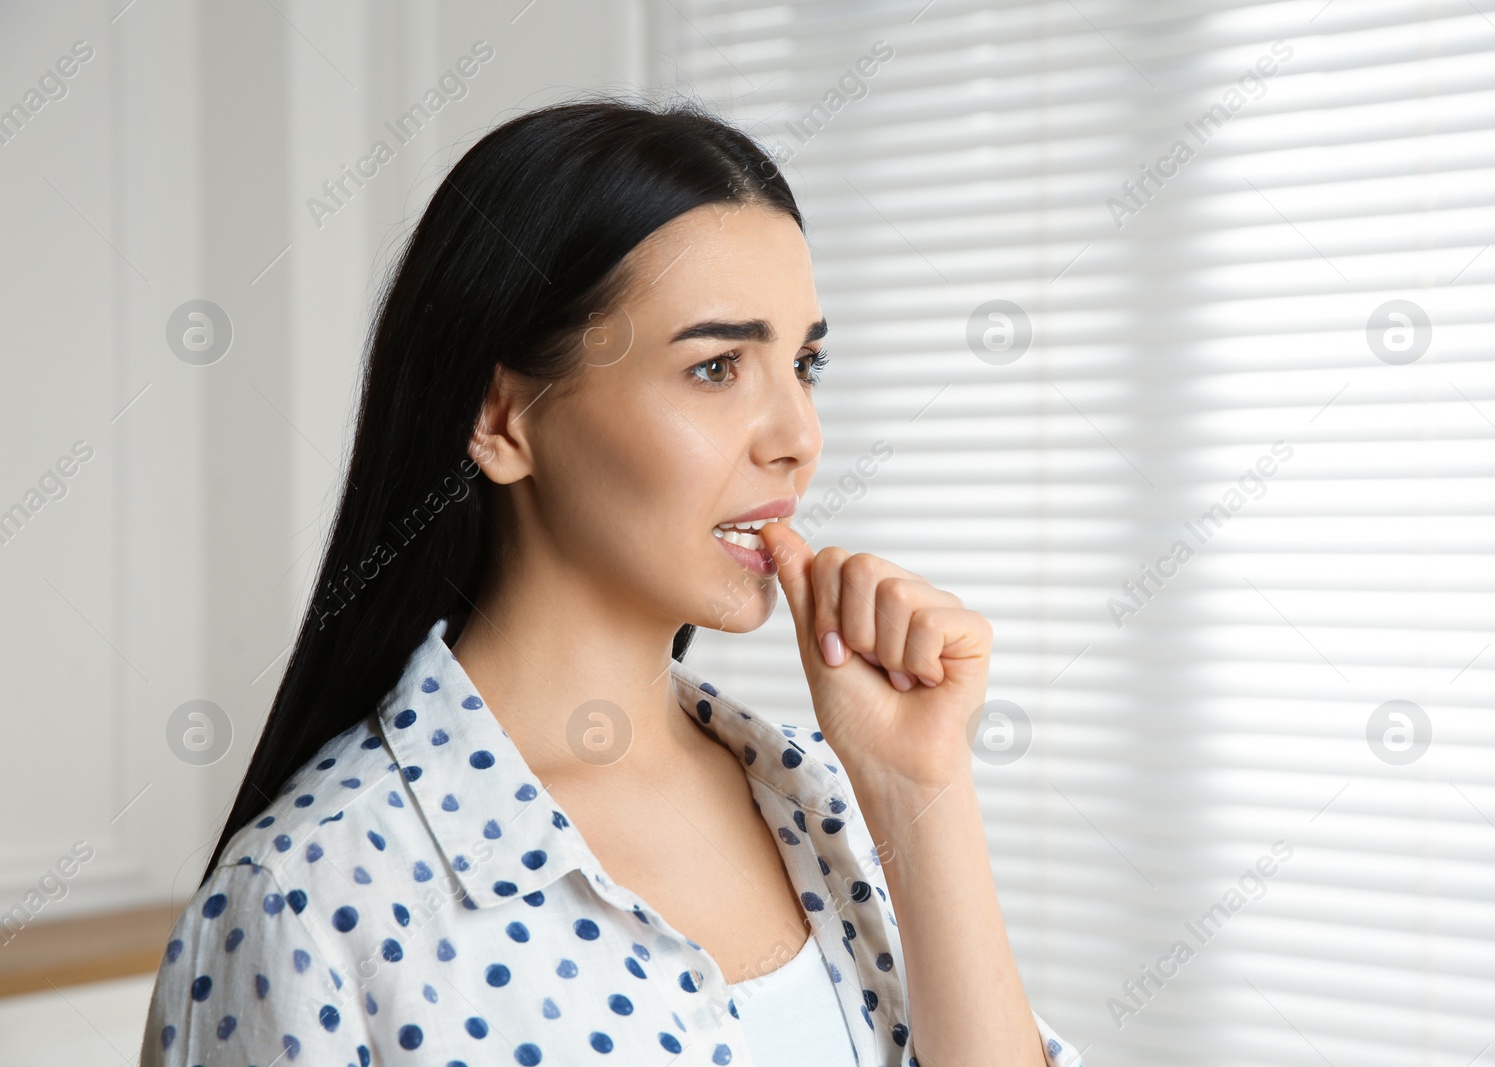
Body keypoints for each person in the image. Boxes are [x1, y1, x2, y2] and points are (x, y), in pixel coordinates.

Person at [140, 94, 1083, 1067]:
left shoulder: (826, 794)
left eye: (804, 361)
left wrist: (919, 788)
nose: (801, 437)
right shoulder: (305, 899)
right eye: (718, 366)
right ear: (503, 420)